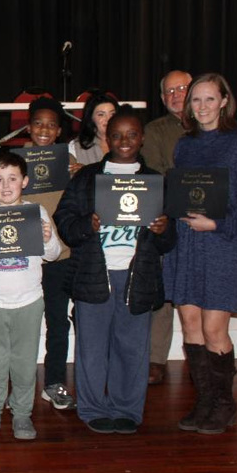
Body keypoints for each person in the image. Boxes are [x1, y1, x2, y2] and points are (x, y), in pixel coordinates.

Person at [54, 106, 176, 435]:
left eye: (131, 134)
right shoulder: (87, 178)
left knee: (133, 349)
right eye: (117, 135)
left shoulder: (155, 181)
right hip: (95, 274)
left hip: (138, 277)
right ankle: (93, 408)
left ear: (142, 138)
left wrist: (164, 229)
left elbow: (169, 241)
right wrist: (86, 224)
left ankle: (126, 408)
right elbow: (64, 221)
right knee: (91, 348)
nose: (124, 140)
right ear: (107, 138)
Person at [164, 73, 237, 435]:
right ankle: (205, 401)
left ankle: (225, 404)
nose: (202, 107)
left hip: (222, 245)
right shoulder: (185, 145)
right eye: (196, 100)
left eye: (209, 99)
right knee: (190, 325)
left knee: (213, 328)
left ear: (224, 101)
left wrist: (218, 225)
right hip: (188, 246)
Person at [0, 151, 61, 440]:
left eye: (13, 179)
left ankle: (22, 414)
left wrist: (47, 238)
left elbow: (53, 255)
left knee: (24, 362)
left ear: (25, 181)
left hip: (29, 302)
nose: (6, 186)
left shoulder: (37, 213)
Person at [24, 96, 77, 410]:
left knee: (58, 321)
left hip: (61, 255)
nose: (44, 129)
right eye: (38, 123)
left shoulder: (68, 162)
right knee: (24, 323)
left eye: (51, 125)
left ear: (59, 131)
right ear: (29, 128)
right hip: (24, 256)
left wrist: (80, 172)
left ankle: (54, 381)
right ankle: (20, 383)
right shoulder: (16, 161)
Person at [140, 70, 192, 385]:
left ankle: (205, 353)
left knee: (199, 292)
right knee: (163, 293)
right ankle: (156, 359)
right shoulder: (154, 131)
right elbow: (154, 177)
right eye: (169, 91)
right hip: (166, 222)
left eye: (182, 88)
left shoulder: (212, 131)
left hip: (206, 225)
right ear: (162, 98)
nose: (175, 95)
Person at [68, 91, 118, 171]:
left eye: (112, 114)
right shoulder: (76, 146)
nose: (108, 119)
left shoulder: (127, 144)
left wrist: (87, 170)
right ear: (91, 118)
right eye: (101, 114)